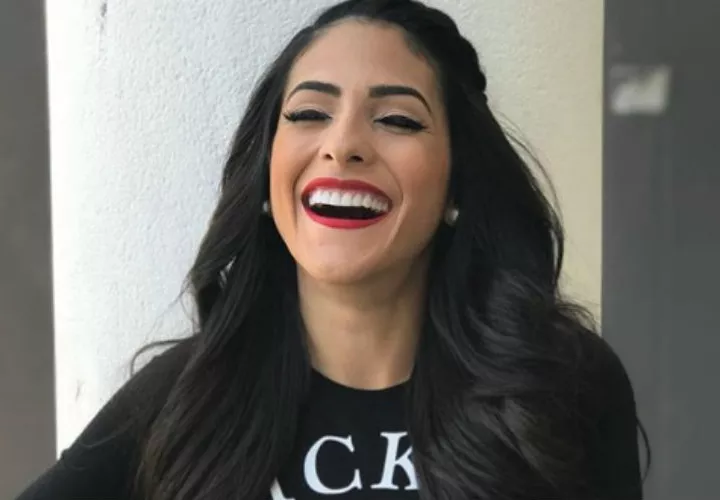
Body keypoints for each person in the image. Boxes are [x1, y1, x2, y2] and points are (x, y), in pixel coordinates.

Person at [17, 0, 648, 498]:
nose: (342, 144)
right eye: (309, 114)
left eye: (397, 120)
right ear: (267, 176)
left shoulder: (560, 388)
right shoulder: (185, 398)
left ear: (456, 186)